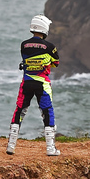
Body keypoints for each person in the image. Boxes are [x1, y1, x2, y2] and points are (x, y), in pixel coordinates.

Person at [6, 14, 61, 156]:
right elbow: (56, 63)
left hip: (26, 83)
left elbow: (25, 58)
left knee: (19, 111)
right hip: (42, 84)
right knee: (47, 112)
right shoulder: (50, 47)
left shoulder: (23, 45)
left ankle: (11, 146)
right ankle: (50, 149)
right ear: (45, 28)